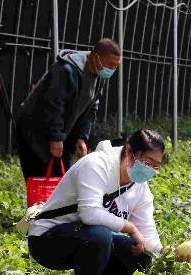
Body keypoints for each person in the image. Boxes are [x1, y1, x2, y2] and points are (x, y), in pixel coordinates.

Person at [27, 129, 165, 275]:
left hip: (86, 239)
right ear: (130, 152)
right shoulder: (96, 165)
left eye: (155, 166)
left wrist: (168, 251)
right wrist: (130, 228)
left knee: (140, 257)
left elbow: (147, 234)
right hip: (47, 241)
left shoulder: (140, 189)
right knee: (100, 235)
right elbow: (89, 213)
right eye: (147, 162)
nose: (150, 170)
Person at [14, 38, 122, 179]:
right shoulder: (67, 70)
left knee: (61, 180)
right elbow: (53, 105)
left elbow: (91, 108)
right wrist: (56, 138)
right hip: (34, 129)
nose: (112, 70)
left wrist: (81, 137)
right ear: (95, 57)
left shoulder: (99, 75)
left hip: (60, 130)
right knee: (40, 177)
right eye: (110, 65)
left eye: (115, 66)